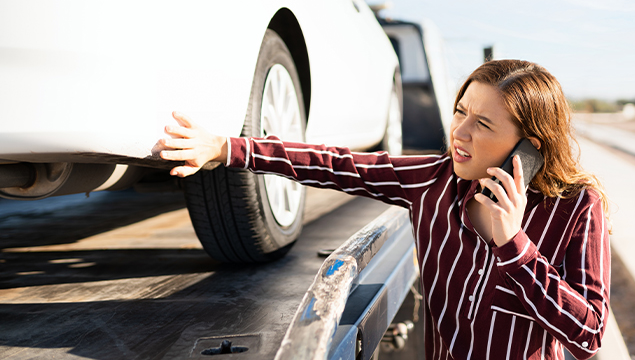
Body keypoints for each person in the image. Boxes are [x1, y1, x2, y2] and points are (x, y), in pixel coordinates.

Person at [158, 59, 610, 360]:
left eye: (483, 123)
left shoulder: (576, 208)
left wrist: (515, 248)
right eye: (460, 112)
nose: (460, 132)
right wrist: (227, 148)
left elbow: (588, 336)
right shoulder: (432, 181)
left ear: (528, 146)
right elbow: (338, 164)